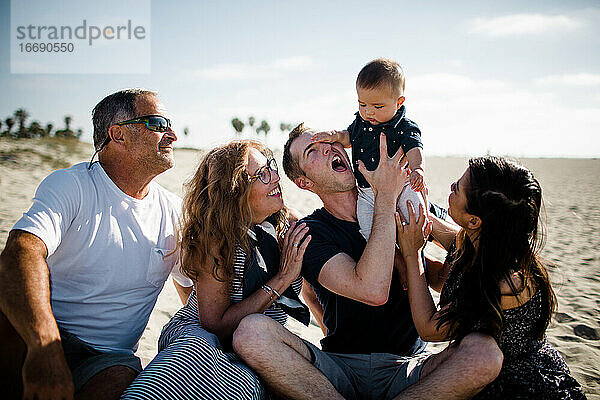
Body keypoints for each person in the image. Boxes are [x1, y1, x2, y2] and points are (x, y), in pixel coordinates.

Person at [232, 124, 504, 400]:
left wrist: (419, 218)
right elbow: (372, 291)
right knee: (251, 333)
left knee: (484, 353)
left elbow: (464, 259)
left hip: (410, 369)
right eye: (312, 151)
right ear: (304, 182)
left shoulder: (402, 199)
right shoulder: (312, 231)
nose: (328, 147)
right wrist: (385, 198)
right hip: (341, 369)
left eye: (328, 140)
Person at [0, 89, 194, 400]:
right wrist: (45, 346)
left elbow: (192, 292)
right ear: (118, 135)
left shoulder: (175, 213)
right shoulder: (71, 185)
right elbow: (20, 251)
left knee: (122, 379)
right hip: (38, 332)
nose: (172, 135)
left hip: (107, 362)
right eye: (158, 124)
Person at [122, 140, 312, 400]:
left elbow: (315, 290)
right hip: (205, 338)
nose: (276, 178)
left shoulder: (289, 224)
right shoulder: (216, 239)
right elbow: (215, 326)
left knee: (251, 381)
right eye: (262, 175)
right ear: (235, 192)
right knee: (197, 361)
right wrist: (281, 280)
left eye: (271, 167)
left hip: (261, 344)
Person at [395, 156, 586, 399]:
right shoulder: (484, 242)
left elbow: (429, 329)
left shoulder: (507, 282)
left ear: (474, 220)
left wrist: (412, 255)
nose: (451, 186)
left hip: (513, 385)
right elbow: (429, 231)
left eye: (457, 188)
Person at [311, 58, 426, 239]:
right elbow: (349, 137)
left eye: (377, 106)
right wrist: (336, 136)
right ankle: (390, 254)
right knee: (367, 228)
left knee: (416, 217)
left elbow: (414, 147)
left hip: (402, 185)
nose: (368, 112)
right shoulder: (360, 122)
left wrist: (417, 168)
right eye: (362, 104)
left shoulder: (403, 126)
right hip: (367, 190)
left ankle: (414, 247)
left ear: (399, 102)